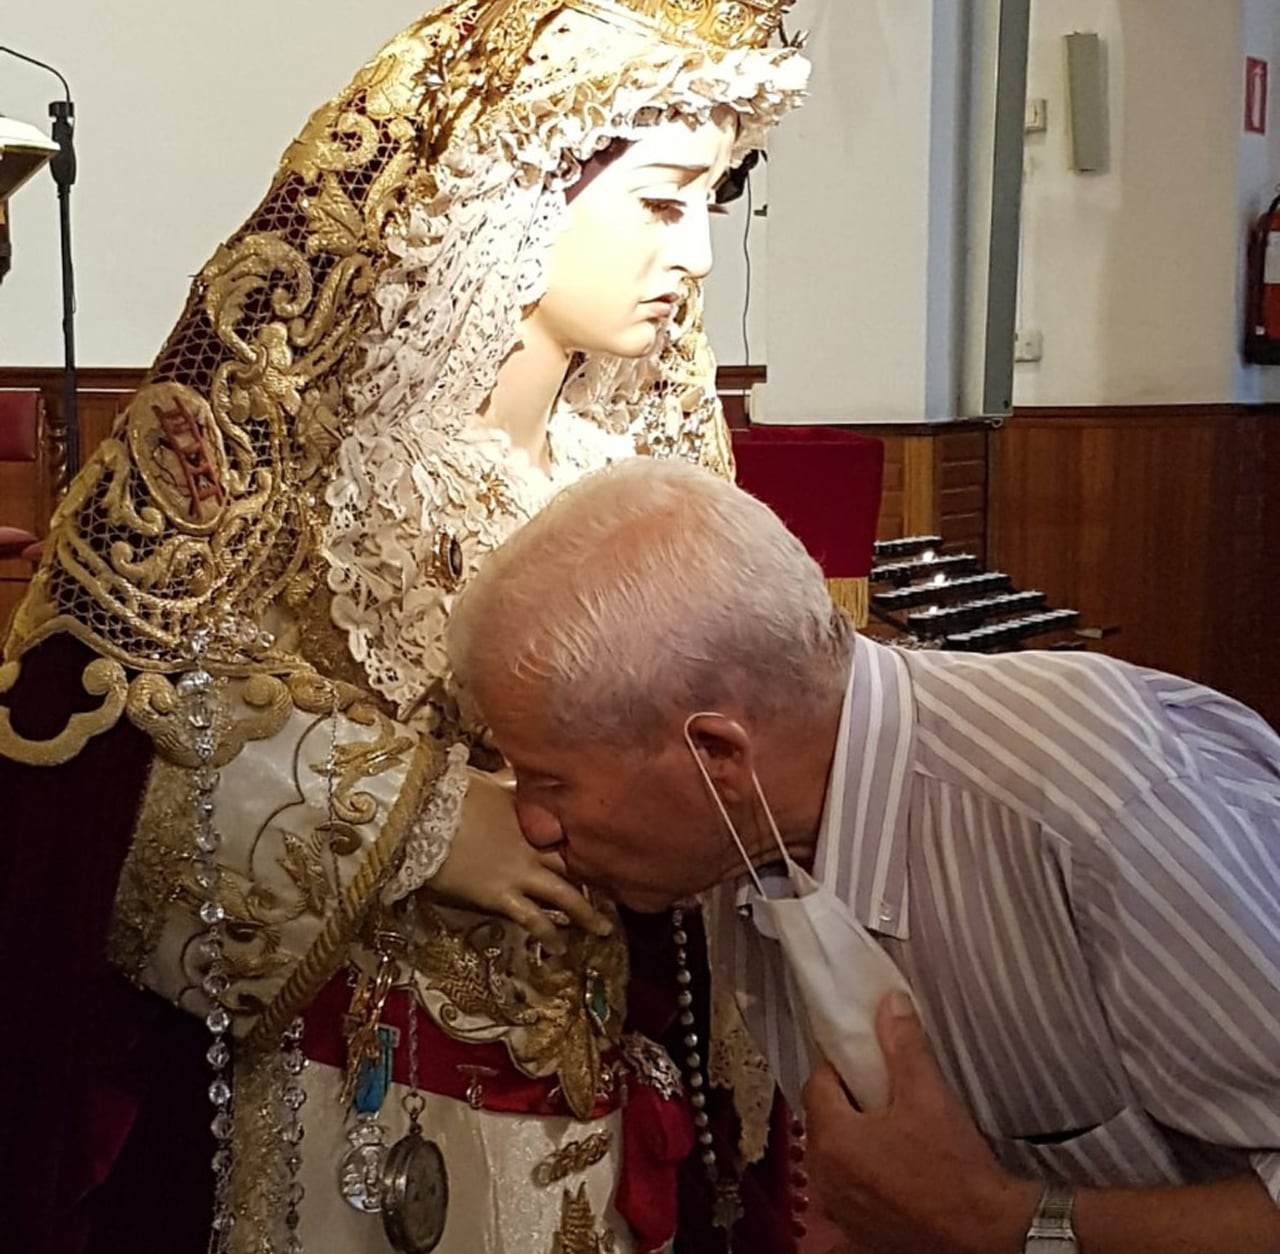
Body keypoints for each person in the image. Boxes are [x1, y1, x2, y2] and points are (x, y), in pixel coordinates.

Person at [0, 5, 808, 1252]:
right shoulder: (300, 474)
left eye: (718, 198)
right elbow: (87, 739)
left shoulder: (639, 483)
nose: (696, 254)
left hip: (595, 1098)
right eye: (660, 201)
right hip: (359, 1110)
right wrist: (420, 819)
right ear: (518, 184)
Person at [446, 456, 1280, 1254]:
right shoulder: (745, 839)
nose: (533, 825)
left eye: (549, 781)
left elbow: (970, 1219)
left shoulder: (1102, 808)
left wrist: (1004, 1226)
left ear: (717, 755)